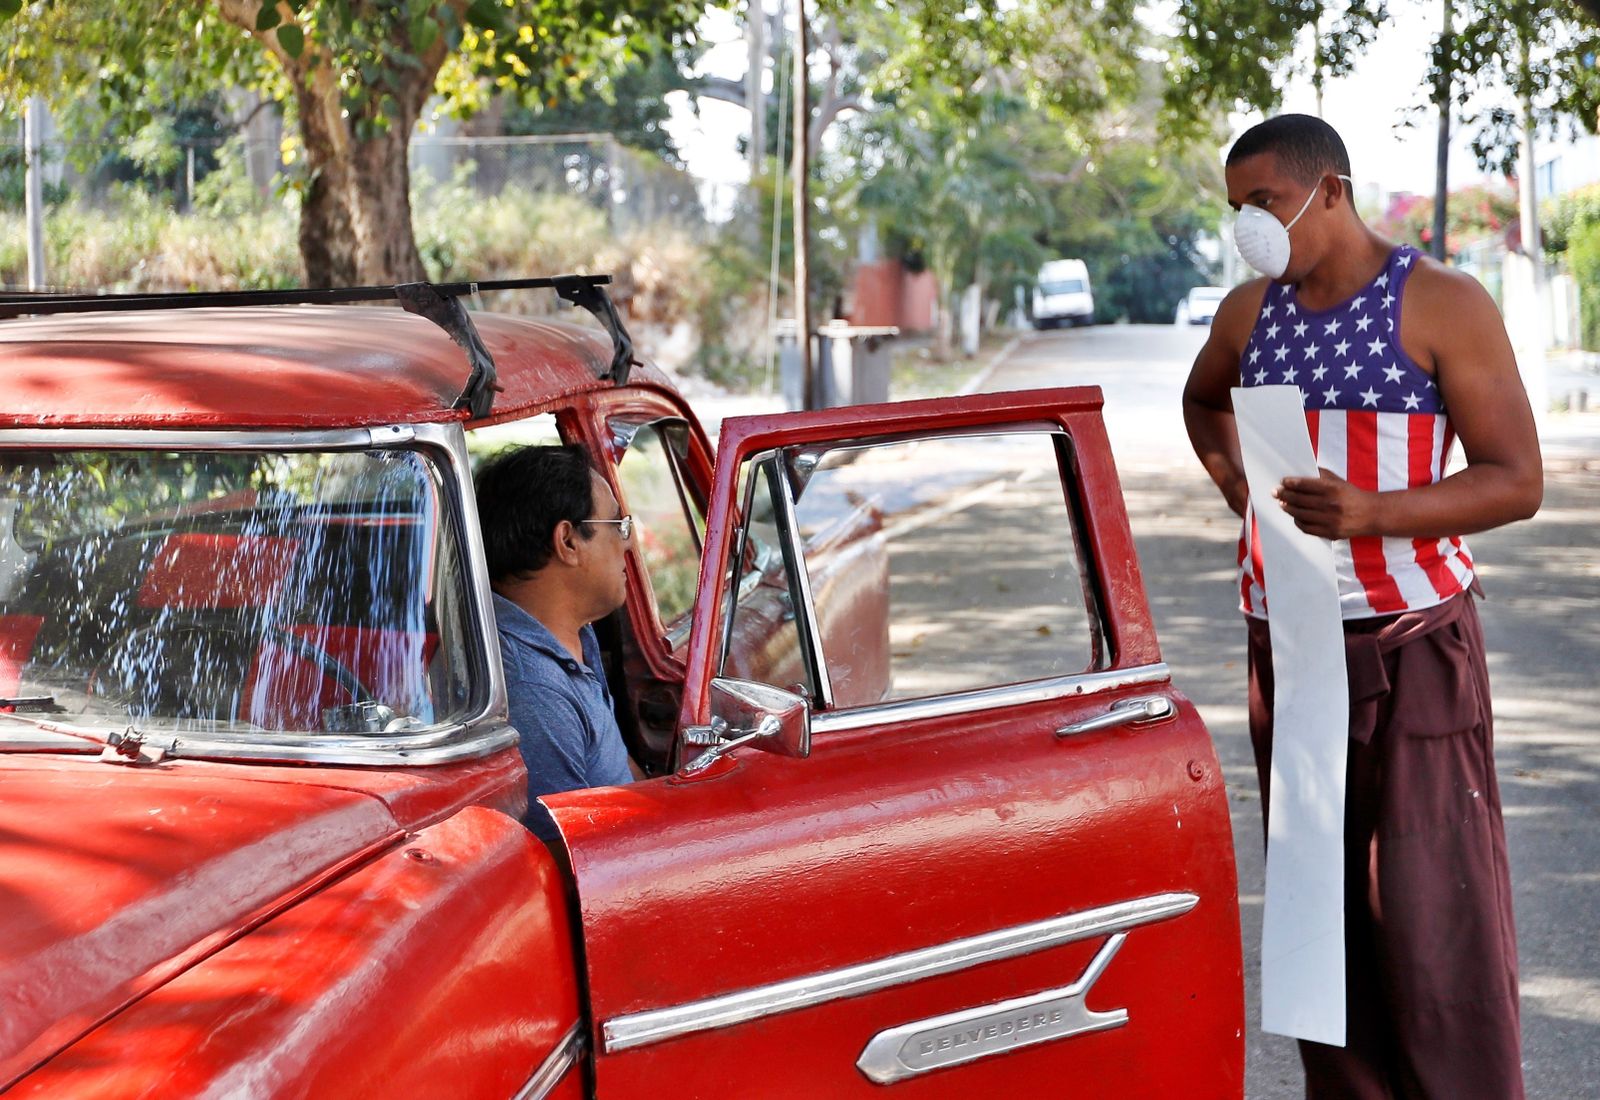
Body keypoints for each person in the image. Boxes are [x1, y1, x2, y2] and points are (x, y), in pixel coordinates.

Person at [1183, 114, 1542, 1099]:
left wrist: (1375, 513)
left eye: (1264, 203)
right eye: (1237, 209)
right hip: (1290, 651)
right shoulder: (1247, 315)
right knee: (1319, 921)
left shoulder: (1442, 302)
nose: (1249, 228)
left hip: (1412, 644)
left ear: (1329, 191)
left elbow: (1516, 479)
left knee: (1434, 917)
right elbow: (1203, 400)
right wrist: (1238, 487)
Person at [475, 444, 635, 838]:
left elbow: (614, 768)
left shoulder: (569, 635)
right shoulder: (532, 689)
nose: (628, 544)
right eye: (617, 525)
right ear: (568, 542)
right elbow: (571, 852)